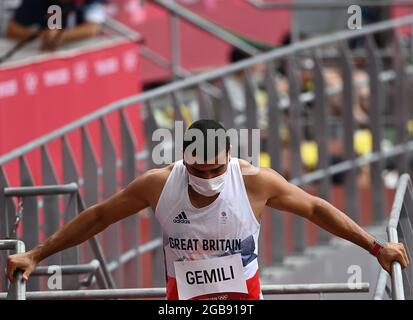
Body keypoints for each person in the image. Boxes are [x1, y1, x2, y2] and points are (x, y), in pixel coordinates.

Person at [7, 119, 410, 300]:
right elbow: (98, 216)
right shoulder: (159, 184)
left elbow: (317, 209)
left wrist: (376, 249)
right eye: (197, 169)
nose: (208, 176)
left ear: (230, 156)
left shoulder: (254, 181)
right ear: (183, 160)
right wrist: (36, 255)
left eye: (216, 168)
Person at [5, 0, 107, 51]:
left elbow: (94, 28)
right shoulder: (36, 2)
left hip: (80, 51)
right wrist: (42, 35)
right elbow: (12, 30)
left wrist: (59, 37)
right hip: (44, 58)